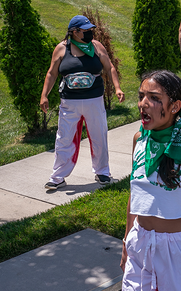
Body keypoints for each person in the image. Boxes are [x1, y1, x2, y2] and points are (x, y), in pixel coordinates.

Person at [120, 17, 181, 291]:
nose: (143, 105)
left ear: (174, 107)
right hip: (140, 244)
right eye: (141, 97)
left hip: (180, 251)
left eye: (154, 99)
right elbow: (135, 194)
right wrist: (127, 240)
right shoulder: (140, 139)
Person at [40, 15, 125, 190]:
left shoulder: (96, 47)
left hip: (94, 99)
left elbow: (109, 67)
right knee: (64, 138)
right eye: (86, 30)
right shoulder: (62, 49)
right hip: (69, 102)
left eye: (90, 30)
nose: (90, 33)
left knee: (98, 136)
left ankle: (102, 172)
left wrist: (117, 88)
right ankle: (57, 177)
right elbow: (52, 73)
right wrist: (44, 95)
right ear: (75, 32)